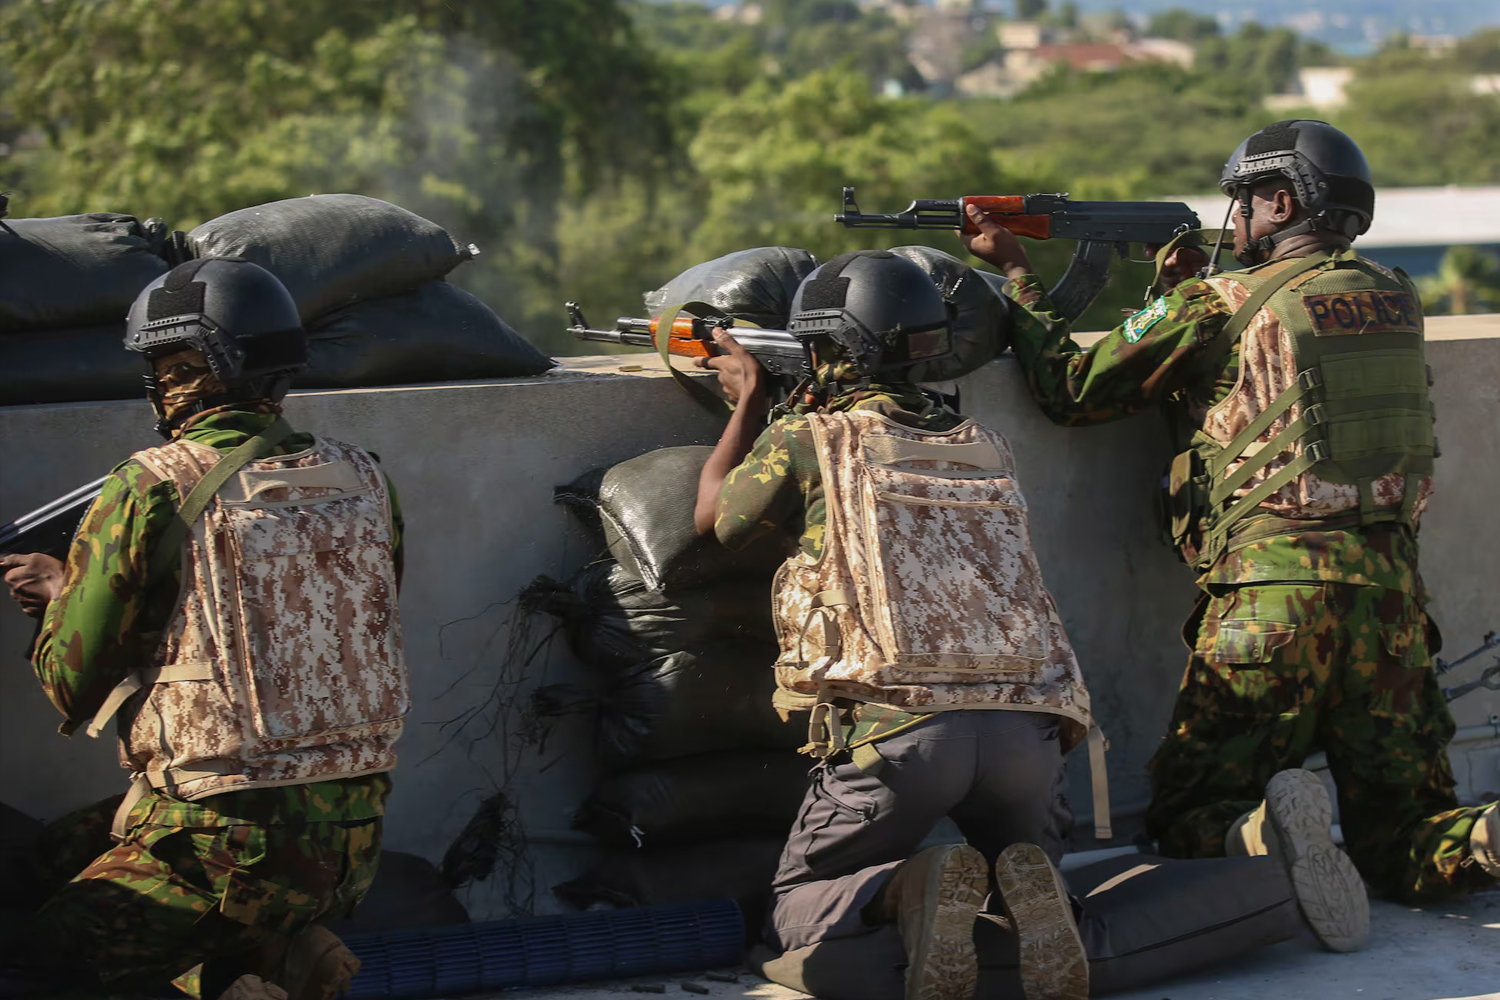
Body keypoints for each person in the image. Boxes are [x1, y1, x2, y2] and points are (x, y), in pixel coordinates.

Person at [960, 118, 1500, 952]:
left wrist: (1017, 274)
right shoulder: (1396, 296)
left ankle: (1263, 839)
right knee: (1405, 839)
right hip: (1390, 605)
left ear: (1281, 201)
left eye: (1243, 202)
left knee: (1185, 818)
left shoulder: (1215, 303)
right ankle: (1486, 838)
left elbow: (1075, 389)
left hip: (1269, 605)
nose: (1233, 220)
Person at [0, 259, 411, 1000]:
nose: (157, 382)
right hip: (352, 847)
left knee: (37, 957)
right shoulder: (366, 481)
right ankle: (283, 948)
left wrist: (62, 590)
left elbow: (71, 683)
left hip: (222, 849)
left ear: (196, 366)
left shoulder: (151, 484)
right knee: (50, 856)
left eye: (163, 364)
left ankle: (227, 980)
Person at [694, 249, 1097, 1000]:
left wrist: (751, 400)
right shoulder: (986, 445)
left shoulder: (812, 439)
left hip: (903, 737)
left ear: (828, 348)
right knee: (1030, 871)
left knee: (795, 913)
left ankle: (909, 886)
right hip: (1027, 733)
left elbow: (715, 521)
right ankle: (1016, 892)